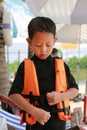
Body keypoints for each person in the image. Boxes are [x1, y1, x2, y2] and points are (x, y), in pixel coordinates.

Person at [9, 16, 79, 130]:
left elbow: (75, 90)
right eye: (38, 45)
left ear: (54, 41)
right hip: (34, 124)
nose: (44, 50)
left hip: (58, 124)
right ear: (29, 42)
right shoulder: (25, 67)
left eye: (48, 45)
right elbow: (13, 95)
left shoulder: (61, 65)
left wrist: (61, 96)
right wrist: (34, 111)